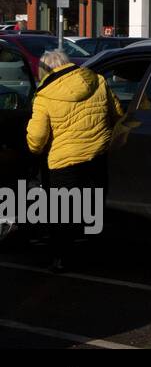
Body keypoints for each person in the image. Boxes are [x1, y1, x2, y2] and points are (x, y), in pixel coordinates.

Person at [26, 49, 124, 271]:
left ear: (44, 70)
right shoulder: (97, 81)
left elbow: (37, 138)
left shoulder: (45, 95)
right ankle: (94, 253)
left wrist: (33, 150)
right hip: (98, 155)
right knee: (93, 207)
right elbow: (117, 113)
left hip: (63, 163)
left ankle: (62, 258)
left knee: (62, 213)